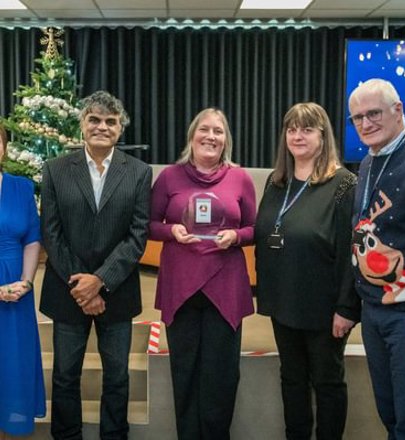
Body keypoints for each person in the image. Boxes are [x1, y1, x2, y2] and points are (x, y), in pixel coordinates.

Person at [40, 91, 152, 440]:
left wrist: (100, 281)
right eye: (94, 119)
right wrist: (82, 286)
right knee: (65, 375)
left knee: (117, 377)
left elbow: (138, 235)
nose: (102, 127)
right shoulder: (55, 169)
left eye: (110, 121)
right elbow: (51, 233)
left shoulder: (139, 172)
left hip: (117, 291)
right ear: (82, 125)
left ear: (120, 129)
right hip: (67, 291)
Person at [255, 102, 360, 440]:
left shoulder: (344, 185)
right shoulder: (276, 182)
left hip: (324, 310)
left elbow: (350, 254)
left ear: (323, 135)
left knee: (327, 383)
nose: (297, 136)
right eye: (291, 129)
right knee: (292, 379)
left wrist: (346, 308)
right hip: (283, 303)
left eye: (307, 129)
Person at [149, 107, 256, 440]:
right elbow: (148, 224)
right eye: (204, 129)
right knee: (184, 372)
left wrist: (235, 236)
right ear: (192, 136)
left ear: (226, 140)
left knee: (221, 377)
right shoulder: (169, 177)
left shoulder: (240, 178)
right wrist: (172, 231)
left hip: (225, 289)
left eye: (218, 131)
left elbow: (255, 228)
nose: (211, 136)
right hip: (181, 288)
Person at [348, 78, 405, 439]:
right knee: (389, 413)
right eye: (357, 118)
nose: (365, 123)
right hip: (374, 309)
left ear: (398, 110)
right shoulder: (368, 162)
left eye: (373, 113)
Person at [0, 124, 46, 439]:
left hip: (16, 292)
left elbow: (32, 238)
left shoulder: (21, 187)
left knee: (13, 364)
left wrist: (26, 282)